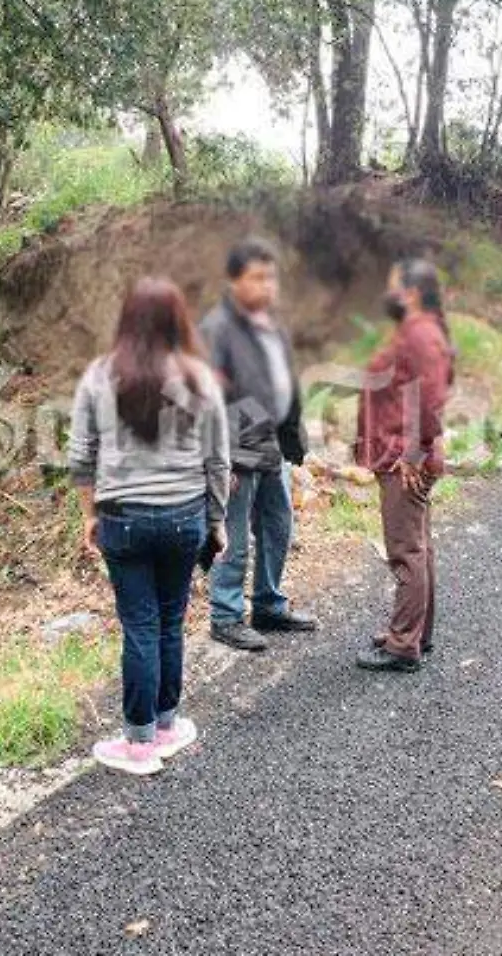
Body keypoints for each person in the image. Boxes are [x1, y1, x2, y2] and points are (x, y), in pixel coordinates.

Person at [68, 278, 230, 776]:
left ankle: (138, 744)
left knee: (139, 623)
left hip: (124, 519)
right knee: (170, 619)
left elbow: (80, 455)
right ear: (178, 320)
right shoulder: (199, 378)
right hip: (184, 518)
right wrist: (217, 521)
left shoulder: (100, 375)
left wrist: (89, 514)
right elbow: (217, 462)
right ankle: (166, 725)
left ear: (127, 320)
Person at [198, 238, 317, 652]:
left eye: (272, 277)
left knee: (278, 524)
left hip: (272, 443)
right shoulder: (217, 329)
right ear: (234, 282)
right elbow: (206, 400)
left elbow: (286, 382)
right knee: (233, 533)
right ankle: (226, 615)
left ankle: (268, 603)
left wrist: (294, 437)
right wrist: (221, 460)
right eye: (257, 278)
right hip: (236, 449)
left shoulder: (271, 325)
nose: (267, 286)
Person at [354, 259, 454, 673]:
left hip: (404, 460)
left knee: (406, 551)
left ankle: (402, 645)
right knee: (419, 547)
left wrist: (413, 453)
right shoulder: (419, 330)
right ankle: (416, 632)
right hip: (402, 453)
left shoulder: (420, 333)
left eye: (395, 286)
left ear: (411, 292)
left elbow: (430, 399)